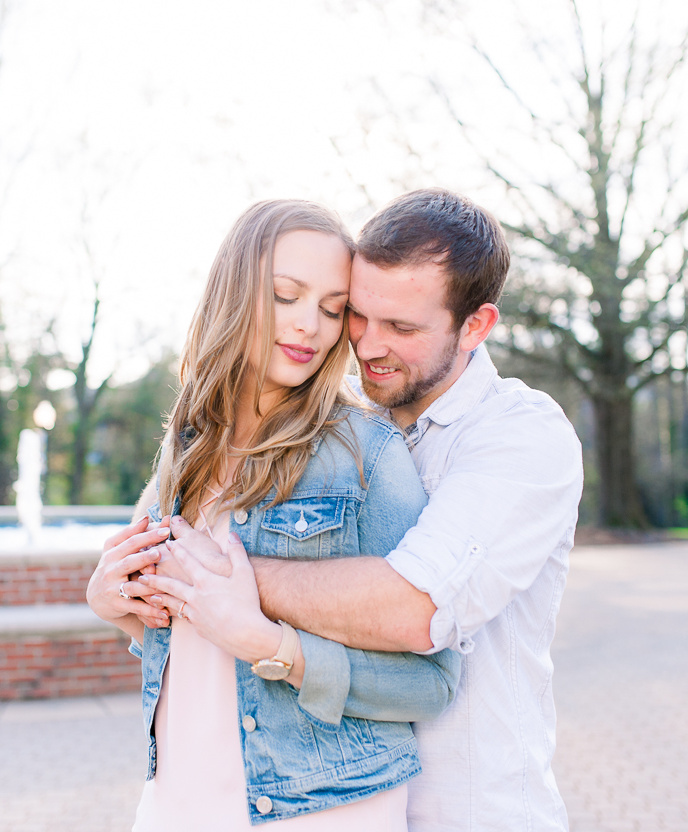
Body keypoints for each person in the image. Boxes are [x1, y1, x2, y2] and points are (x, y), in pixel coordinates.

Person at [140, 189, 584, 831]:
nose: (367, 345)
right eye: (357, 315)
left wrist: (214, 571)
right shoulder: (325, 431)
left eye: (402, 328)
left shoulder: (520, 436)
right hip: (323, 801)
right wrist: (128, 589)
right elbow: (159, 568)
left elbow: (415, 608)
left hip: (470, 811)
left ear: (475, 326)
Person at [86, 199, 460, 830]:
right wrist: (117, 606)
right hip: (177, 803)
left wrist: (274, 645)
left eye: (332, 308)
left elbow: (432, 684)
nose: (309, 325)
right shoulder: (186, 450)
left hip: (319, 810)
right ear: (236, 291)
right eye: (286, 294)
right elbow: (194, 643)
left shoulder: (367, 454)